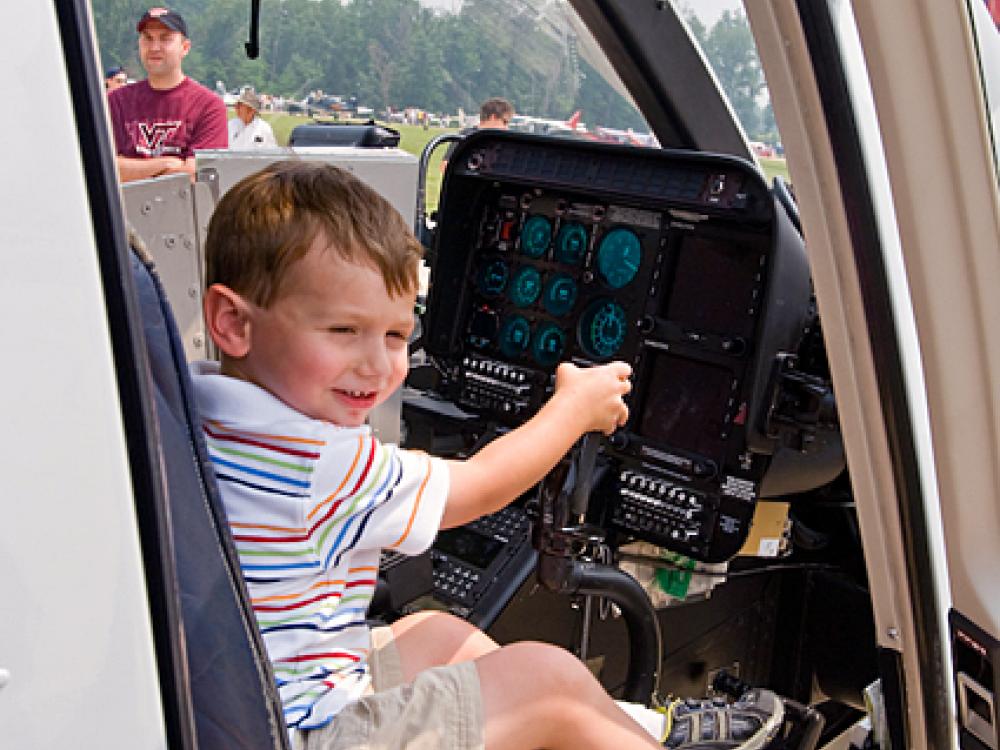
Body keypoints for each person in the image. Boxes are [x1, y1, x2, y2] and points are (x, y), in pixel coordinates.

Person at [191, 160, 784, 750]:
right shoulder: (313, 458)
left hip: (252, 699)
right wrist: (571, 411)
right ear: (232, 323)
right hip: (300, 732)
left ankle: (628, 729)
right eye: (344, 331)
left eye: (396, 335)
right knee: (546, 680)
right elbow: (478, 486)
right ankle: (610, 728)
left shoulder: (198, 404)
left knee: (437, 635)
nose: (377, 366)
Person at [107, 7, 227, 183]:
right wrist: (168, 164)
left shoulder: (209, 106)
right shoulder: (116, 101)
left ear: (185, 48)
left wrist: (129, 169)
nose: (155, 47)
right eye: (148, 38)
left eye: (165, 39)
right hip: (122, 210)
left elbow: (196, 176)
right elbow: (103, 169)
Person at [441, 97, 514, 171]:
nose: (506, 128)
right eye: (504, 122)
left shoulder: (503, 141)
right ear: (493, 117)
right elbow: (445, 165)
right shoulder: (465, 136)